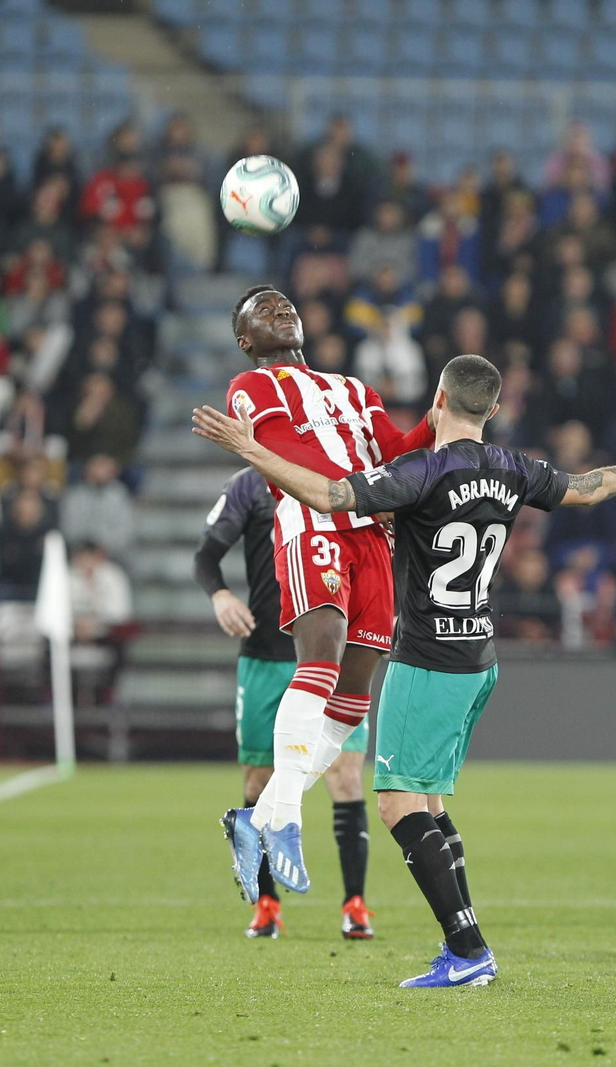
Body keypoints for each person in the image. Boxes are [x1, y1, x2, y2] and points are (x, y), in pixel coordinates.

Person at [193, 353, 616, 987]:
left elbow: (327, 495)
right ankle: (459, 939)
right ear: (494, 409)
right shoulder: (514, 468)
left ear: (438, 400)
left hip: (427, 662)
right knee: (431, 802)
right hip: (479, 658)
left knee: (397, 804)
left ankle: (468, 949)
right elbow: (587, 489)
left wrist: (250, 447)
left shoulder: (418, 471)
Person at [209, 285, 436, 897]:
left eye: (286, 304)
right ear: (246, 339)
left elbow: (394, 451)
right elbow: (279, 452)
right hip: (315, 523)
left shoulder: (355, 388)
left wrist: (434, 421)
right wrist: (365, 490)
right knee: (321, 660)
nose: (280, 309)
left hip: (373, 542)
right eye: (262, 309)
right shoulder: (250, 388)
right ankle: (283, 821)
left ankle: (256, 817)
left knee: (354, 696)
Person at [194, 467, 375, 941]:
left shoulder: (351, 474)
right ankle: (267, 904)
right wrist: (219, 595)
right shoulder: (250, 485)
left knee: (347, 774)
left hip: (336, 650)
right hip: (267, 657)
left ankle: (355, 904)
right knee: (260, 778)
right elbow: (207, 555)